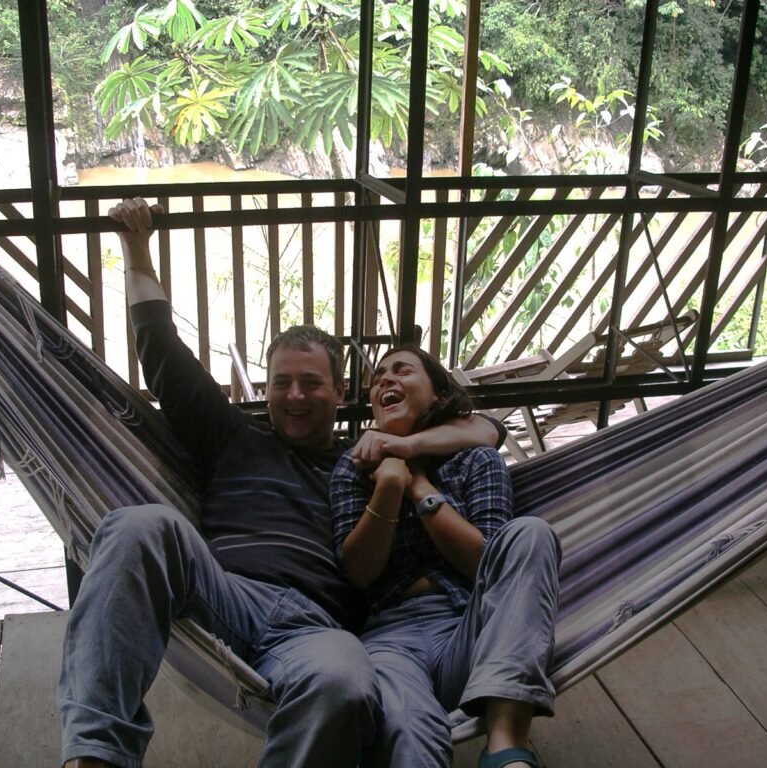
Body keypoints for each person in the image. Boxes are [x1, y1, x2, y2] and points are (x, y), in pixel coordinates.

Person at [57, 198, 503, 768]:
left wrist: (403, 450)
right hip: (222, 590)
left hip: (316, 626)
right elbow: (161, 351)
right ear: (264, 390)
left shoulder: (367, 462)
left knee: (345, 683)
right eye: (281, 383)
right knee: (137, 526)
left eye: (311, 384)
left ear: (339, 393)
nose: (294, 397)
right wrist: (137, 248)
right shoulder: (232, 436)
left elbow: (484, 428)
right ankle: (95, 757)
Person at [330, 345, 562, 768]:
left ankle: (507, 746)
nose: (385, 380)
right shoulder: (355, 466)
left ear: (438, 394)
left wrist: (417, 483)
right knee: (406, 730)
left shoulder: (476, 459)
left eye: (401, 371)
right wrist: (388, 486)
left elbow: (486, 565)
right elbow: (359, 573)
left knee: (530, 534)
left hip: (474, 633)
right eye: (378, 378)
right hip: (390, 640)